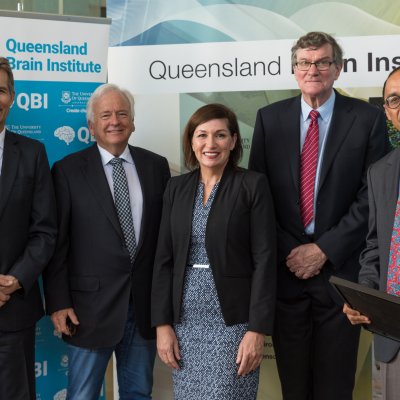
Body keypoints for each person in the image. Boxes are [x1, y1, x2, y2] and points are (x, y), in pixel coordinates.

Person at [249, 31, 389, 400]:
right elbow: (258, 200)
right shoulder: (269, 119)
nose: (314, 69)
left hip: (341, 277)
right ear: (294, 70)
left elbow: (371, 198)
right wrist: (291, 252)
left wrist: (323, 249)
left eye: (323, 62)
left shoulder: (367, 119)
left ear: (338, 69)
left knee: (335, 387)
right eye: (305, 63)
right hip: (286, 274)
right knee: (294, 388)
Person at [43, 83, 170, 400]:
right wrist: (59, 301)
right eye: (106, 115)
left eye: (122, 113)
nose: (115, 121)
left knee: (139, 392)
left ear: (133, 122)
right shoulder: (67, 171)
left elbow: (166, 239)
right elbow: (58, 243)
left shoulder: (156, 166)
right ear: (91, 126)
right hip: (88, 309)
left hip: (143, 308)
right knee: (83, 395)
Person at [151, 103, 276, 400]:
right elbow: (163, 260)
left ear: (233, 141)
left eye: (220, 135)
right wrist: (162, 324)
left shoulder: (252, 185)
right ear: (191, 142)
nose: (210, 144)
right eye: (202, 135)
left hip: (233, 321)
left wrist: (257, 330)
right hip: (185, 321)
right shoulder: (176, 188)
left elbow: (265, 259)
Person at [0, 57, 57, 399]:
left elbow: (45, 230)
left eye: (1, 89)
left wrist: (14, 281)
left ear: (12, 96)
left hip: (12, 311)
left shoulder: (33, 153)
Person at [344, 66, 400, 400]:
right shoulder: (381, 172)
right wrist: (362, 296)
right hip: (391, 340)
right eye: (394, 99)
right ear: (388, 112)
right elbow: (374, 250)